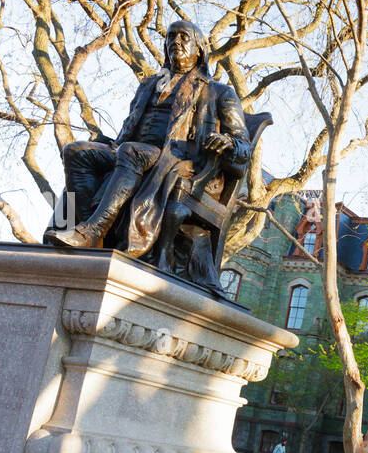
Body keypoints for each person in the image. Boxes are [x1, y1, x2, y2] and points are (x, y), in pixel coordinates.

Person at [44, 20, 251, 269]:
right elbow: (128, 130)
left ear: (199, 49)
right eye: (171, 36)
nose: (175, 41)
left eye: (184, 37)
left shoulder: (218, 92)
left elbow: (243, 146)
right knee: (76, 151)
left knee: (131, 152)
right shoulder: (149, 85)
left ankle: (95, 229)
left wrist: (228, 142)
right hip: (128, 152)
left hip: (177, 160)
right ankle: (88, 228)